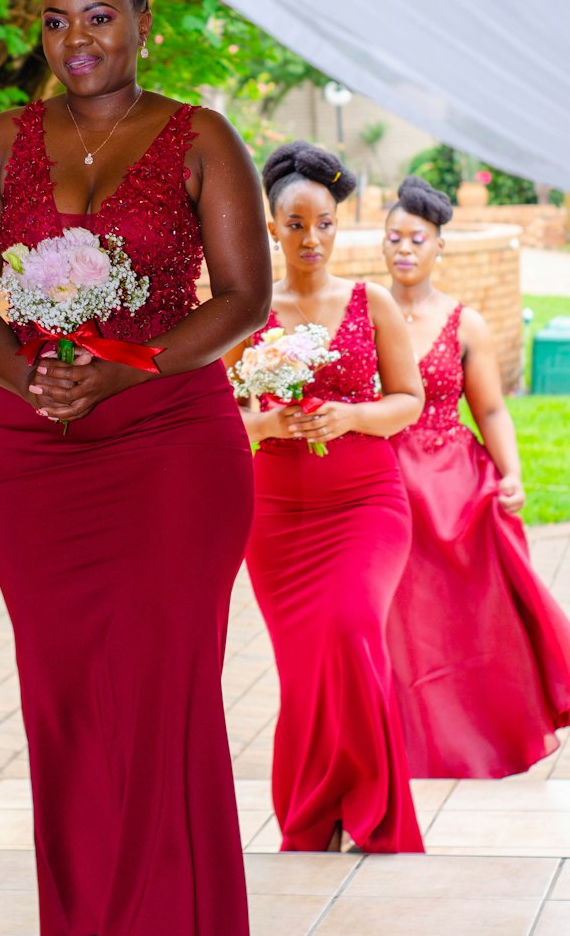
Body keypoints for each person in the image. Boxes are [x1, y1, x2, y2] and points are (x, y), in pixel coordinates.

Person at [0, 0, 271, 936]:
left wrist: (121, 373)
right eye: (53, 21)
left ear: (140, 25)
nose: (73, 40)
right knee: (68, 707)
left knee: (161, 698)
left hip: (173, 447)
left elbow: (242, 296)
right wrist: (31, 383)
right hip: (36, 464)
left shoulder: (199, 136)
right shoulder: (1, 140)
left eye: (96, 18)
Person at [239, 141, 425, 854]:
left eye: (324, 224)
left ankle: (373, 808)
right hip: (277, 517)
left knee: (350, 632)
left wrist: (350, 416)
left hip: (366, 505)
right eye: (296, 225)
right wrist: (265, 421)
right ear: (271, 228)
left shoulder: (369, 301)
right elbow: (208, 414)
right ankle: (314, 812)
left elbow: (408, 400)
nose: (311, 238)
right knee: (304, 668)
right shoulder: (248, 309)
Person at [383, 175, 570, 777]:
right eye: (395, 238)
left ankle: (478, 732)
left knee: (465, 614)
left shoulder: (466, 325)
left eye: (418, 238)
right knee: (397, 619)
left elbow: (489, 409)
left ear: (441, 246)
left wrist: (511, 473)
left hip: (455, 484)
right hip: (382, 485)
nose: (405, 248)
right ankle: (401, 739)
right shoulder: (360, 312)